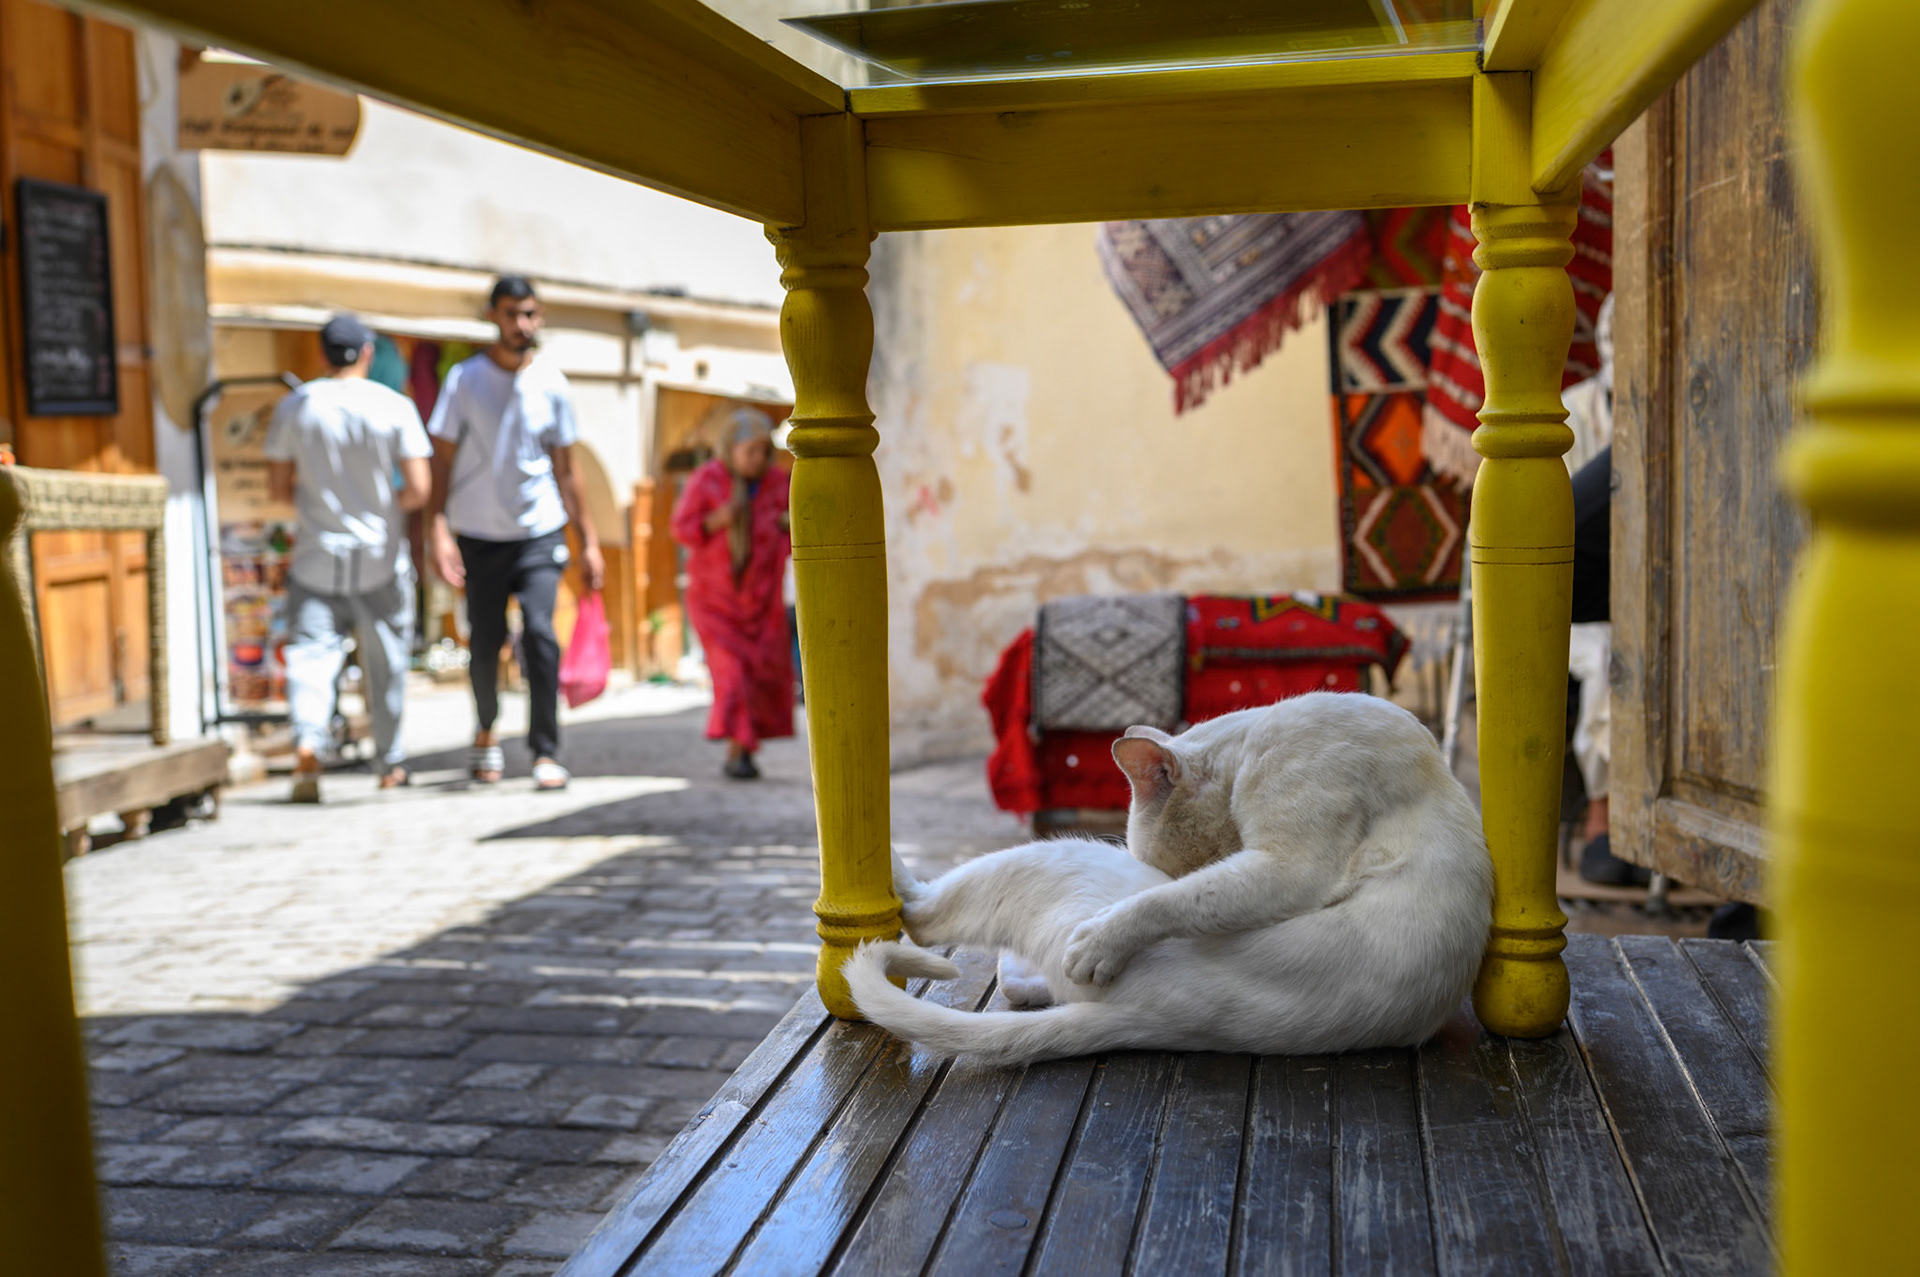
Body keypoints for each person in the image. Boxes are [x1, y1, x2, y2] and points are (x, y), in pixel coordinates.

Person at [426, 275, 603, 790]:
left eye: (529, 314)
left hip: (539, 530)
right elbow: (442, 460)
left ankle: (545, 751)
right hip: (479, 534)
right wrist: (437, 528)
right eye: (511, 314)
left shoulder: (553, 383)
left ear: (538, 316)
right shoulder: (464, 380)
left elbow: (569, 471)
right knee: (485, 643)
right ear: (492, 317)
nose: (521, 324)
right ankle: (485, 730)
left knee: (543, 635)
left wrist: (589, 542)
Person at [265, 313, 432, 803]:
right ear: (366, 353)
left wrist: (320, 506)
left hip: (316, 553)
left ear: (321, 355)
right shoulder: (394, 406)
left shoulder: (296, 406)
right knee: (386, 661)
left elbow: (278, 490)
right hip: (379, 554)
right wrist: (382, 508)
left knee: (311, 657)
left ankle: (308, 742)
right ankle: (390, 761)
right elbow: (419, 488)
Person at [671, 407, 794, 779]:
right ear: (731, 449)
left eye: (763, 451)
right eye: (750, 452)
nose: (758, 459)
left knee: (758, 676)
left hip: (762, 601)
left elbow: (796, 528)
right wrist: (717, 520)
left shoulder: (778, 483)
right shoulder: (706, 481)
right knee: (733, 674)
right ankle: (738, 749)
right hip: (716, 602)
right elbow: (682, 529)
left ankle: (740, 750)